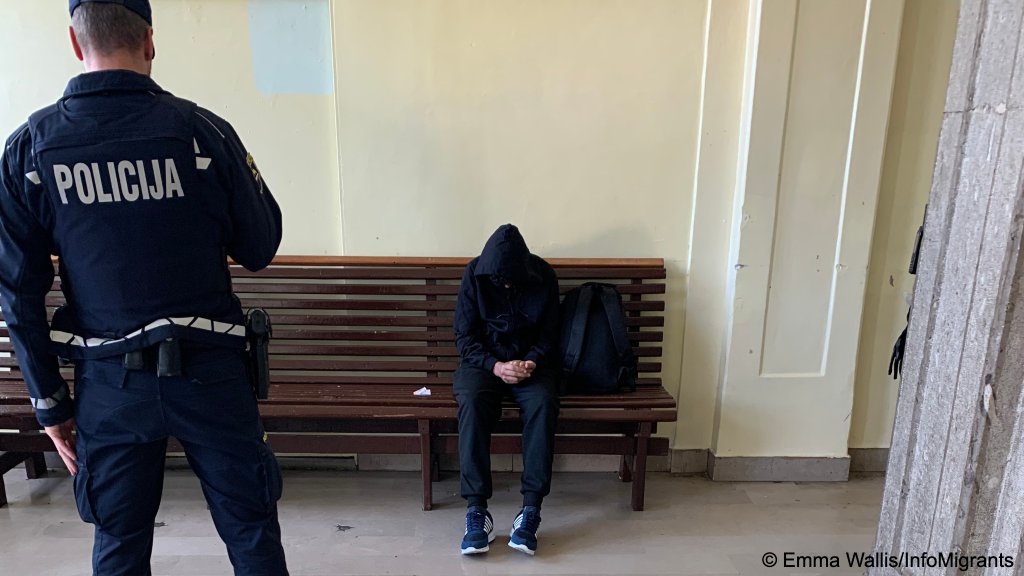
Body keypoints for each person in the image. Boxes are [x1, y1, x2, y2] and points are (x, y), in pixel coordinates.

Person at [0, 1, 289, 574]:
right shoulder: (202, 132)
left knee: (119, 543)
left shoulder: (30, 149)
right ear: (150, 40)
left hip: (110, 386)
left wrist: (49, 402)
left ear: (75, 42)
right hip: (211, 374)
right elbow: (261, 246)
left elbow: (18, 293)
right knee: (251, 533)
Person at [453, 224, 561, 556]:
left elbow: (551, 333)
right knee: (471, 401)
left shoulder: (544, 275)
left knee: (544, 401)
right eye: (501, 281)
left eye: (513, 280)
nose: (507, 285)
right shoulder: (475, 274)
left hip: (531, 365)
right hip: (483, 364)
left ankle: (530, 510)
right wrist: (495, 366)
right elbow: (465, 337)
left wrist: (531, 361)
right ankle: (476, 510)